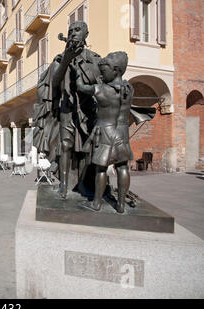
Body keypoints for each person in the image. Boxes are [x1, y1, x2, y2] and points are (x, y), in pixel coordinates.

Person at [33, 21, 102, 199]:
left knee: (88, 149)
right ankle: (63, 184)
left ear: (86, 34)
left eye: (77, 30)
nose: (72, 33)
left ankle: (84, 184)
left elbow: (100, 84)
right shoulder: (59, 58)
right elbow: (54, 83)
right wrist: (66, 60)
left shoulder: (95, 58)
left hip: (88, 111)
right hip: (67, 110)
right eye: (70, 30)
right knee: (65, 146)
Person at [76, 51, 133, 214]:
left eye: (104, 70)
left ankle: (96, 203)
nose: (101, 73)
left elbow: (81, 87)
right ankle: (121, 205)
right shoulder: (129, 89)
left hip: (105, 131)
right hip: (122, 131)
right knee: (122, 167)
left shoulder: (100, 89)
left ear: (116, 70)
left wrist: (78, 72)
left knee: (100, 169)